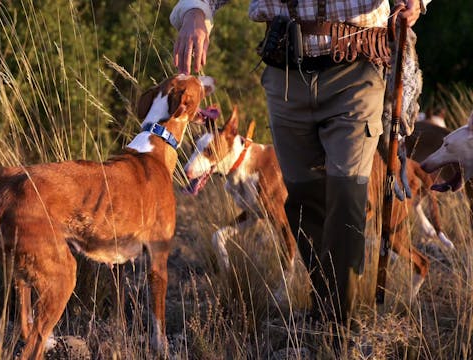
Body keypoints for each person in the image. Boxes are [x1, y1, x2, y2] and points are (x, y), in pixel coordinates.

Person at [170, 0, 428, 330]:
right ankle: (325, 303)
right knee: (303, 204)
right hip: (285, 72)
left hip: (357, 67)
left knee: (348, 194)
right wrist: (195, 13)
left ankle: (337, 324)